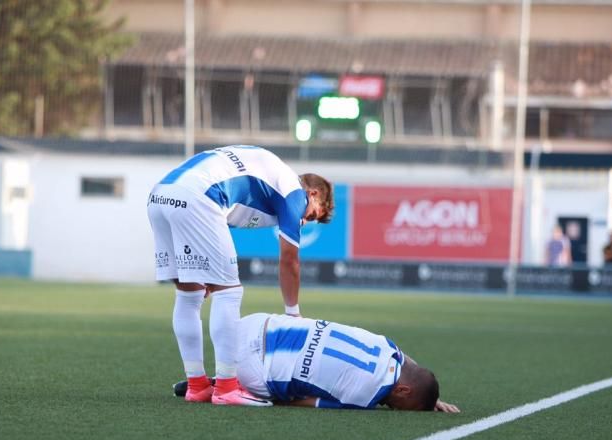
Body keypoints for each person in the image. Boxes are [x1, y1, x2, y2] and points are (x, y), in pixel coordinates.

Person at [148, 145, 334, 406]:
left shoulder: (272, 179)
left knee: (190, 294)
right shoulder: (295, 192)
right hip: (199, 196)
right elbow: (290, 260)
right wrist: (293, 314)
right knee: (230, 292)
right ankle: (225, 387)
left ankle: (198, 385)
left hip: (161, 194)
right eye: (312, 214)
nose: (305, 220)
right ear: (312, 194)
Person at [173, 313, 460, 413]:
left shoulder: (389, 346)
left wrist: (426, 395)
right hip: (251, 366)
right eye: (403, 406)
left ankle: (216, 379)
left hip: (254, 322)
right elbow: (304, 402)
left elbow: (410, 366)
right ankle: (224, 387)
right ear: (404, 391)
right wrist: (269, 401)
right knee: (283, 395)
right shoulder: (365, 397)